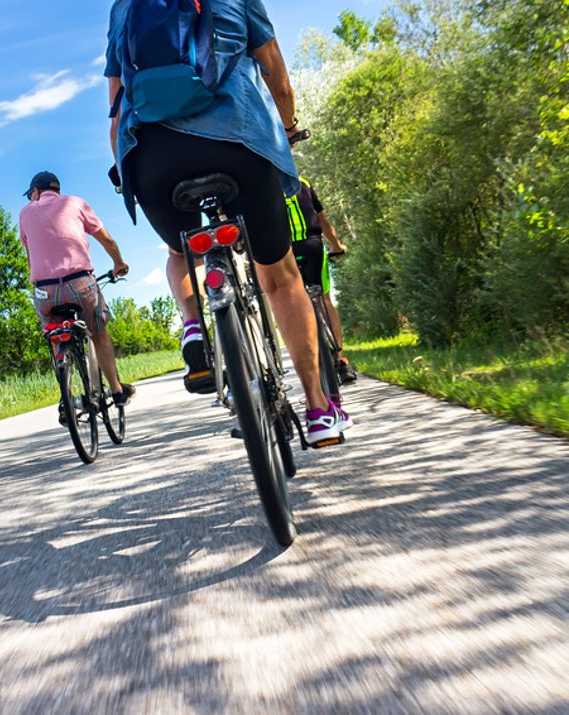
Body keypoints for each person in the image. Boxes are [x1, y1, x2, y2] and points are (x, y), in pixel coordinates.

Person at [103, 0, 351, 444]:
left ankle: (194, 324)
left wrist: (126, 170)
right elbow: (276, 74)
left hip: (152, 156)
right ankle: (318, 409)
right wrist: (288, 129)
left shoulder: (124, 7)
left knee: (182, 251)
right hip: (238, 140)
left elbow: (117, 107)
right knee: (279, 276)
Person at [19, 171, 136, 409]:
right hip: (79, 283)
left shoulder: (25, 213)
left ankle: (66, 398)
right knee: (99, 333)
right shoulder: (75, 203)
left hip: (44, 292)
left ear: (36, 192)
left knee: (55, 337)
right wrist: (119, 263)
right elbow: (107, 240)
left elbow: (30, 255)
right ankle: (116, 389)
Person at [285, 176, 357, 384]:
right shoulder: (303, 183)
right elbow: (322, 220)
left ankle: (308, 364)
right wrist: (336, 245)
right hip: (312, 244)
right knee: (324, 299)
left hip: (285, 251)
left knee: (292, 304)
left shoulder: (266, 184)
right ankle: (341, 358)